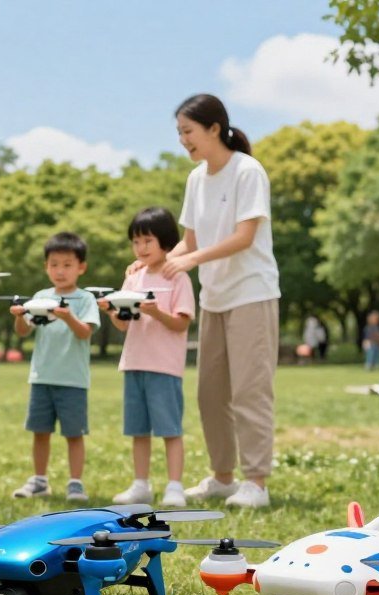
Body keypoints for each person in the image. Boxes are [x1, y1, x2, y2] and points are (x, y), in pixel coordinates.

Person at [158, 94, 280, 509]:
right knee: (210, 393)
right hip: (214, 297)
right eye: (179, 133)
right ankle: (223, 477)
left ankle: (257, 482)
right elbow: (188, 241)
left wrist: (192, 258)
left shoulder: (248, 171)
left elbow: (244, 236)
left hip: (252, 292)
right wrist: (149, 266)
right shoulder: (197, 179)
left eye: (187, 131)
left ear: (213, 128)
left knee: (249, 390)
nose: (183, 140)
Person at [101, 208, 194, 508]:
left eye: (147, 241)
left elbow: (181, 323)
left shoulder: (177, 277)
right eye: (136, 242)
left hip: (164, 367)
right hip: (134, 363)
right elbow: (124, 324)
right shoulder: (133, 278)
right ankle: (140, 484)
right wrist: (112, 312)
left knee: (170, 429)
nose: (140, 248)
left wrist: (157, 312)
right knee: (138, 430)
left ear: (165, 242)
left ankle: (175, 486)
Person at [10, 232, 100, 502]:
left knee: (74, 434)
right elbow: (24, 331)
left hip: (73, 380)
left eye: (67, 264)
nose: (60, 271)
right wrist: (20, 315)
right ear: (46, 266)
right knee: (40, 432)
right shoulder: (40, 296)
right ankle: (39, 480)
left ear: (81, 267)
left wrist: (67, 315)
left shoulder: (85, 300)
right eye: (54, 264)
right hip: (41, 377)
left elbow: (85, 333)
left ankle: (75, 483)